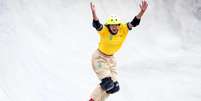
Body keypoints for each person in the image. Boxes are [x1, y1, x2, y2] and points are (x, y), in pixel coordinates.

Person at [89, 1, 148, 101]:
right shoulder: (104, 31)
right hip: (99, 58)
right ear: (109, 26)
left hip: (111, 59)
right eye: (112, 25)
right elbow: (97, 24)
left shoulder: (123, 29)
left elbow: (134, 22)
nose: (114, 27)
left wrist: (141, 12)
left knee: (114, 87)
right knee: (107, 83)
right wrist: (94, 13)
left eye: (116, 25)